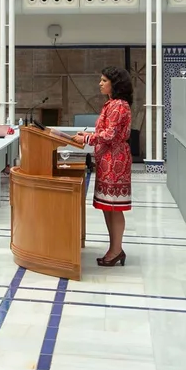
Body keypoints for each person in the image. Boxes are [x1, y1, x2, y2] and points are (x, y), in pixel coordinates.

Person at [74, 67, 135, 266]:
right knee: (108, 207)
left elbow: (110, 135)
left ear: (114, 84)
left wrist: (88, 138)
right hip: (106, 159)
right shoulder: (111, 103)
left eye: (103, 80)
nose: (100, 83)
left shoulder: (119, 105)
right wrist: (88, 136)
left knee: (115, 207)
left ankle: (116, 250)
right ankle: (114, 248)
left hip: (115, 161)